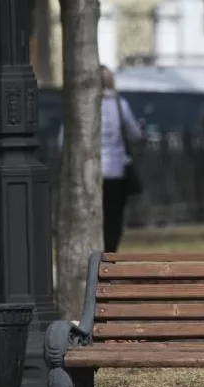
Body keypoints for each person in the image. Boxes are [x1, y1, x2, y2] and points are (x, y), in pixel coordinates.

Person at [58, 65, 145, 251]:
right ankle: (109, 254)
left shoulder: (81, 105)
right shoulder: (120, 105)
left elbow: (63, 140)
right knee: (113, 218)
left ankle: (92, 254)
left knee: (89, 216)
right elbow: (135, 134)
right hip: (115, 171)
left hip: (88, 171)